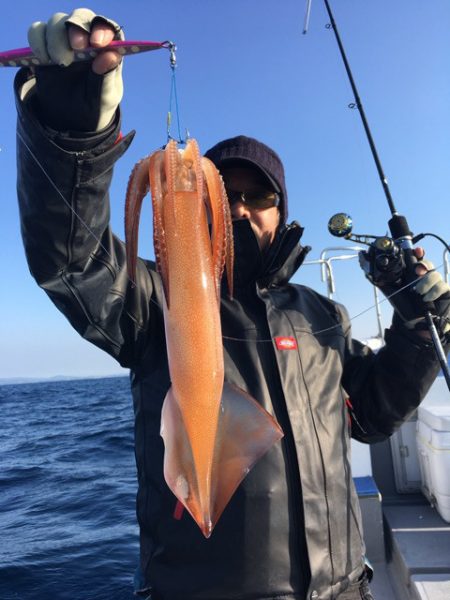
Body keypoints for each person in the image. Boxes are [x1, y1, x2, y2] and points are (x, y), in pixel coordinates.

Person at [15, 9, 450, 600]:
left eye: (259, 195)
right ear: (201, 202)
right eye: (227, 193)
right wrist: (71, 137)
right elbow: (72, 259)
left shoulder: (321, 315)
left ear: (282, 207)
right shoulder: (150, 303)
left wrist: (421, 329)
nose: (242, 209)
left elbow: (372, 414)